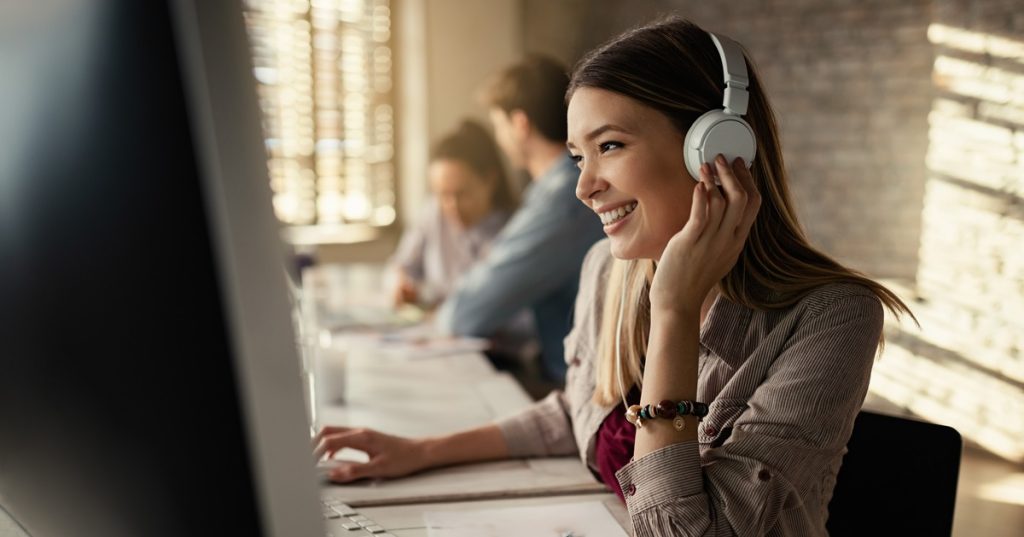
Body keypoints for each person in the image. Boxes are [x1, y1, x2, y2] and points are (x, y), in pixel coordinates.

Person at [314, 17, 913, 535]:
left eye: (611, 146)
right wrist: (421, 451)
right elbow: (581, 411)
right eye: (579, 155)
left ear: (718, 150)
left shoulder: (832, 316)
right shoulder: (611, 269)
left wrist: (676, 312)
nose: (583, 186)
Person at [434, 55, 605, 384]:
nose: (499, 138)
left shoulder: (563, 198)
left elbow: (467, 314)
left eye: (498, 125)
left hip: (581, 389)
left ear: (520, 124)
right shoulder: (560, 189)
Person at [388, 119, 517, 310]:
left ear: (490, 180)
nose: (452, 206)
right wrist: (401, 282)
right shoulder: (432, 212)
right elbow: (402, 264)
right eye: (442, 194)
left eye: (462, 194)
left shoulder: (515, 228)